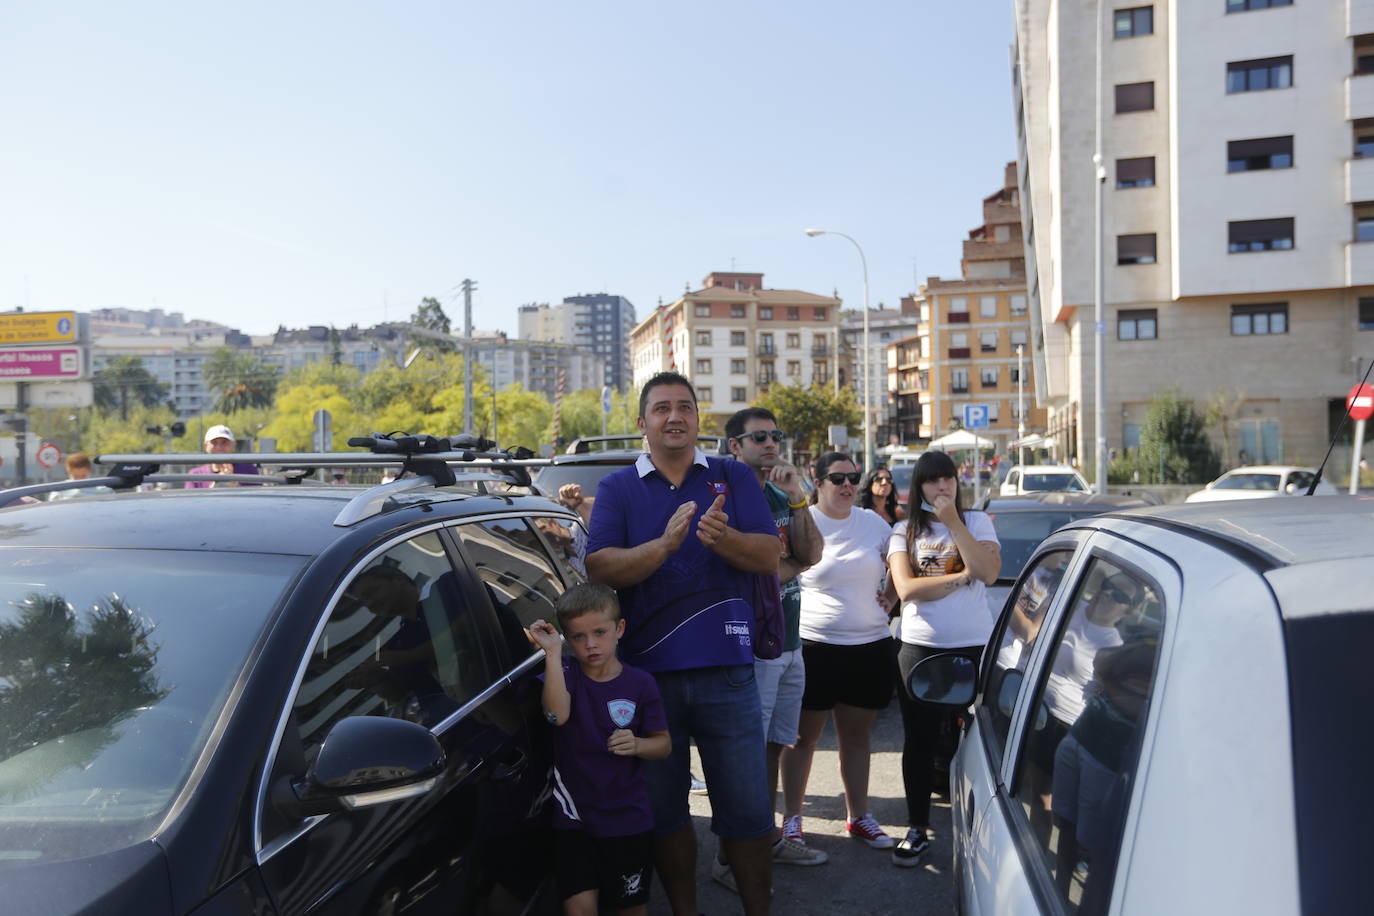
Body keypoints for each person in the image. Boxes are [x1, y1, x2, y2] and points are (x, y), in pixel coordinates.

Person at [585, 371, 780, 916]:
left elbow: (768, 556)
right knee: (665, 815)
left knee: (747, 815)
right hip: (648, 681)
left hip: (729, 673)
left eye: (685, 407)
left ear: (698, 419)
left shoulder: (733, 476)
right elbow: (600, 567)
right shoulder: (619, 488)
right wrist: (664, 546)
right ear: (642, 422)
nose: (675, 416)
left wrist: (726, 538)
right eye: (662, 408)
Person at [717, 406, 826, 880]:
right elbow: (747, 571)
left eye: (774, 435)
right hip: (752, 649)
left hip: (790, 643)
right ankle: (731, 857)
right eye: (758, 437)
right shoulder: (729, 498)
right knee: (743, 751)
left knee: (776, 745)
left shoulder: (783, 494)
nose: (770, 444)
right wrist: (792, 565)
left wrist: (800, 498)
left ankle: (762, 839)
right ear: (734, 447)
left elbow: (812, 553)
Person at [525, 584, 671, 916]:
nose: (590, 644)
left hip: (627, 819)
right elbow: (555, 715)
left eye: (600, 632)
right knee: (578, 909)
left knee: (630, 908)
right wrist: (551, 652)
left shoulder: (640, 683)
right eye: (577, 636)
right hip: (574, 817)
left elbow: (663, 745)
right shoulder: (564, 673)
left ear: (619, 629)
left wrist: (637, 744)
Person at [780, 452, 898, 853]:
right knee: (802, 740)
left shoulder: (873, 523)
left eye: (853, 477)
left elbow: (901, 561)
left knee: (857, 739)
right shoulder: (805, 521)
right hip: (815, 646)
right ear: (818, 482)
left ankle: (858, 816)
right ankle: (792, 819)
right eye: (837, 478)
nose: (847, 485)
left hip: (869, 646)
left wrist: (893, 595)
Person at [887, 450, 1000, 866]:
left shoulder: (977, 522)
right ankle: (917, 826)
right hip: (920, 647)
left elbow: (988, 572)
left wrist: (954, 523)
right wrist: (960, 576)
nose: (943, 487)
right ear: (919, 488)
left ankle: (985, 823)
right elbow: (906, 590)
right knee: (919, 741)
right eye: (933, 481)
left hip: (973, 645)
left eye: (948, 479)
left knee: (977, 737)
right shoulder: (903, 530)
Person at [185, 425, 261, 488]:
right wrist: (216, 484)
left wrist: (235, 485)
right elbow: (190, 503)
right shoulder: (195, 475)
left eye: (225, 443)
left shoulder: (249, 470)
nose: (219, 448)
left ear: (233, 445)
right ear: (206, 446)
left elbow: (257, 501)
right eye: (214, 443)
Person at [47, 453, 113, 500]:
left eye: (83, 476)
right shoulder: (59, 492)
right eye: (76, 476)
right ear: (68, 471)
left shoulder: (105, 491)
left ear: (89, 470)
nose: (79, 480)